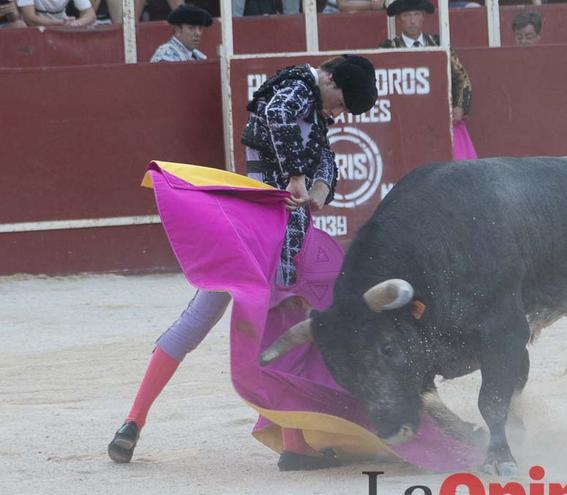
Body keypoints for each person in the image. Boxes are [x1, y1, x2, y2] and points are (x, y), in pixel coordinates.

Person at [108, 54, 378, 471]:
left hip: (251, 229)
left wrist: (321, 187)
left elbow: (324, 155)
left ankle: (133, 420)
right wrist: (295, 179)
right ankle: (294, 446)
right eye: (341, 104)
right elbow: (277, 114)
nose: (338, 114)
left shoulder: (309, 98)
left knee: (199, 320)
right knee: (286, 325)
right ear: (329, 78)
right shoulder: (297, 90)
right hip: (273, 230)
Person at [379, 0, 475, 159]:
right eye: (407, 15)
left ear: (423, 17)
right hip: (404, 120)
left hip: (438, 117)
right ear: (399, 20)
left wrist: (459, 105)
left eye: (416, 14)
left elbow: (460, 77)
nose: (412, 20)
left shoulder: (440, 45)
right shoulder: (387, 49)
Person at [16, 0, 95, 26]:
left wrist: (76, 23)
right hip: (34, 31)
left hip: (62, 29)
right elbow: (30, 18)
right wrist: (57, 24)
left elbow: (91, 15)